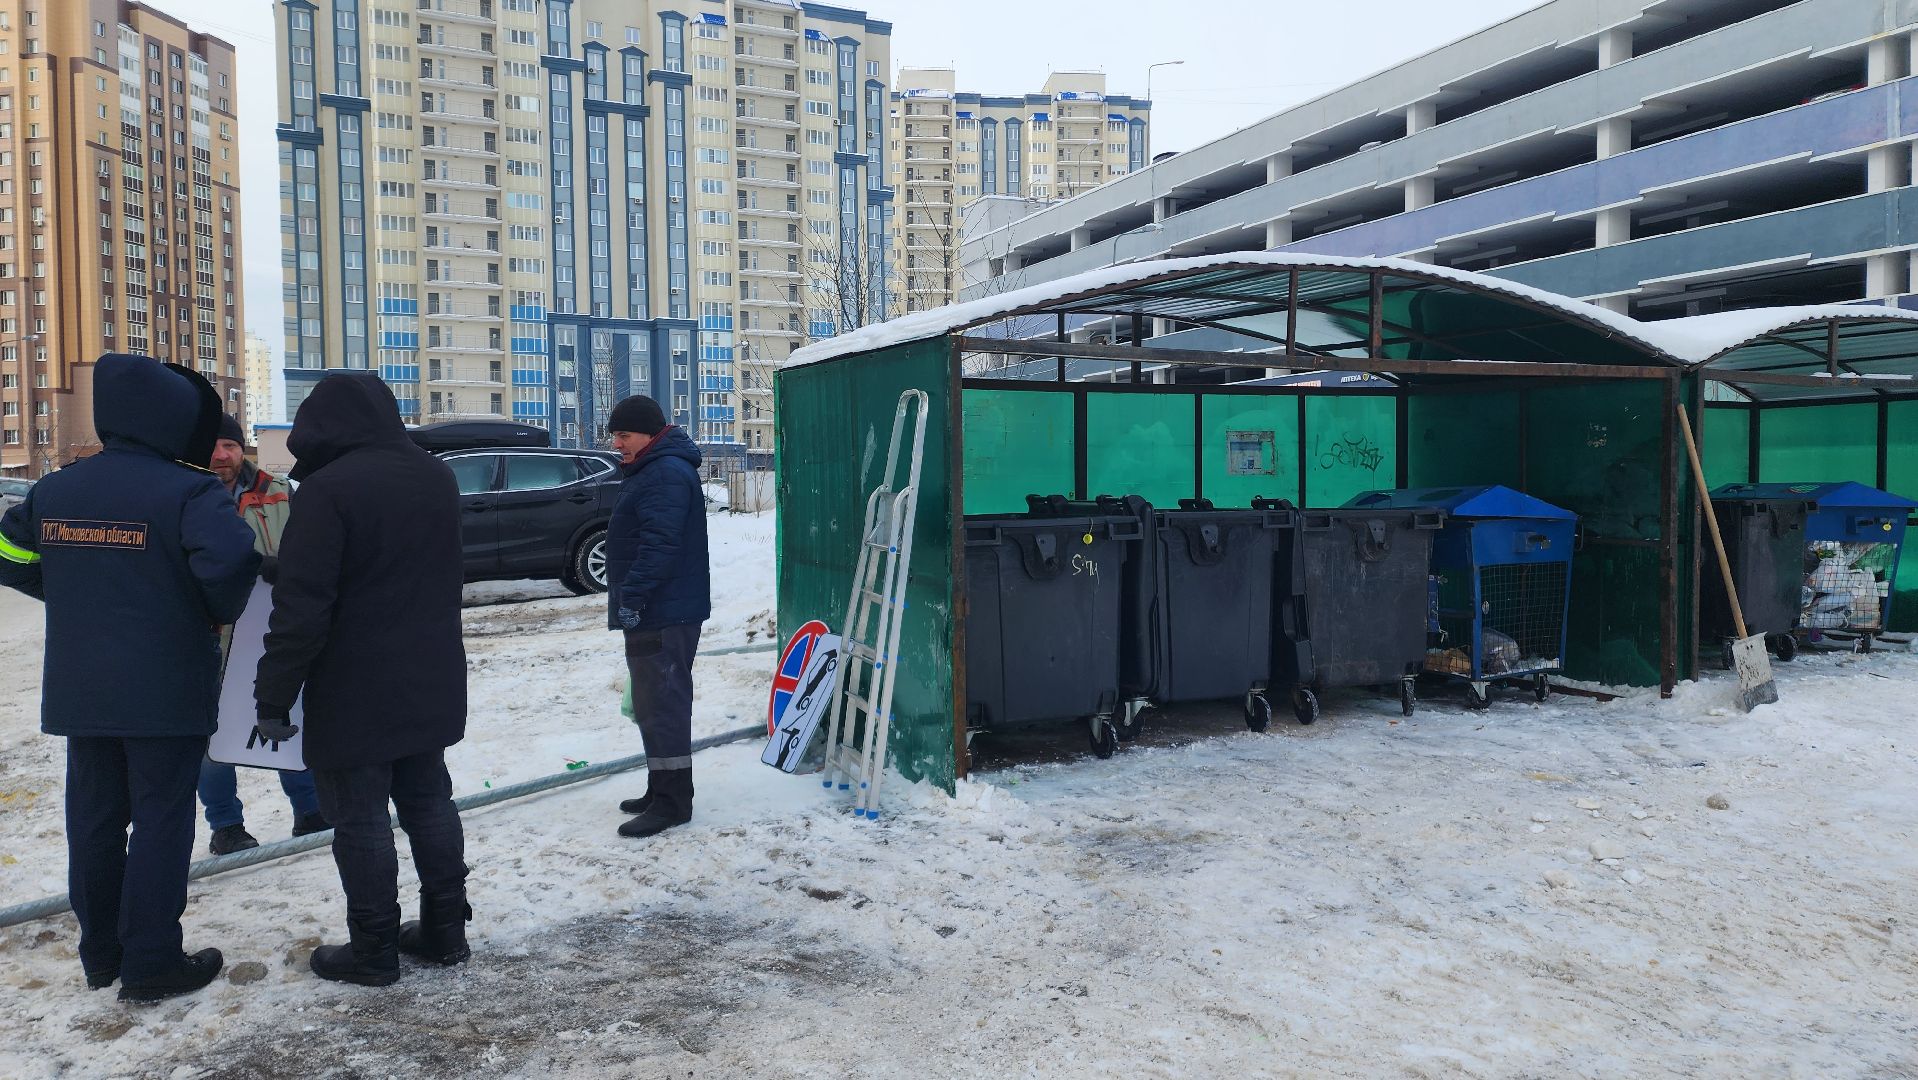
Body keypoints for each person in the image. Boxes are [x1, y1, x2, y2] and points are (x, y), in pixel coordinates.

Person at [0, 354, 259, 1002]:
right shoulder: (189, 490)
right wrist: (205, 611)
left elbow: (8, 552)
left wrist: (66, 590)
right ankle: (151, 962)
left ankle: (101, 955)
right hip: (165, 687)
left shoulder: (57, 489)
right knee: (160, 821)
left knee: (94, 822)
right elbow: (232, 564)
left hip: (82, 689)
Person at [253, 372, 471, 986]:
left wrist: (273, 695)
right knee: (429, 801)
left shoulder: (328, 489)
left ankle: (373, 949)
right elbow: (396, 561)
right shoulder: (436, 475)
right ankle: (446, 930)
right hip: (431, 672)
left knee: (361, 818)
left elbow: (303, 609)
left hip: (353, 685)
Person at [198, 413, 327, 854]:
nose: (221, 455)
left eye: (230, 445)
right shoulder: (184, 494)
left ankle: (310, 810)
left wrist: (288, 568)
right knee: (213, 735)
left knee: (286, 716)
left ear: (242, 449)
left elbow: (311, 549)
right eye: (213, 446)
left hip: (268, 632)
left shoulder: (279, 492)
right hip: (206, 638)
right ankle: (226, 826)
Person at [605, 395, 711, 840]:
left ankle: (672, 803)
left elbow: (659, 545)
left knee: (664, 705)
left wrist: (633, 597)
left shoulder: (665, 472)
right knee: (652, 704)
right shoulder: (654, 468)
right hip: (661, 608)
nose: (617, 444)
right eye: (615, 435)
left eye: (624, 435)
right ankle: (661, 787)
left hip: (663, 610)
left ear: (649, 434)